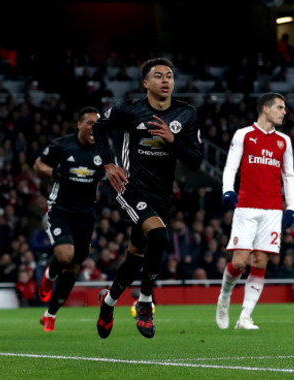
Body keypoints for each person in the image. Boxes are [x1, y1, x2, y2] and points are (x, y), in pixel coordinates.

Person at [92, 57, 203, 339]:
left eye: (169, 76)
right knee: (161, 236)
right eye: (158, 76)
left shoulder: (186, 113)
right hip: (130, 186)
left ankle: (108, 303)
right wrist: (108, 163)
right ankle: (145, 302)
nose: (165, 80)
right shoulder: (129, 109)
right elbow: (98, 126)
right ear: (146, 83)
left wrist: (173, 140)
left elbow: (196, 162)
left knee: (135, 257)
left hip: (163, 194)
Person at [215, 92, 294, 330]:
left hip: (272, 209)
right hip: (247, 206)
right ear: (265, 109)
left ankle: (245, 317)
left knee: (260, 261)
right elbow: (231, 165)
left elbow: (289, 176)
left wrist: (291, 207)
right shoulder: (243, 135)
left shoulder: (284, 141)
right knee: (240, 262)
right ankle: (224, 296)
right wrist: (228, 190)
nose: (284, 112)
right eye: (280, 108)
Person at [34, 106, 103, 331]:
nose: (95, 127)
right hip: (60, 210)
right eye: (90, 123)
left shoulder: (103, 149)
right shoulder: (62, 145)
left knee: (74, 268)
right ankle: (50, 273)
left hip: (86, 214)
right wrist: (54, 173)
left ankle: (50, 315)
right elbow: (38, 165)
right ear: (80, 125)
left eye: (98, 124)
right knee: (65, 256)